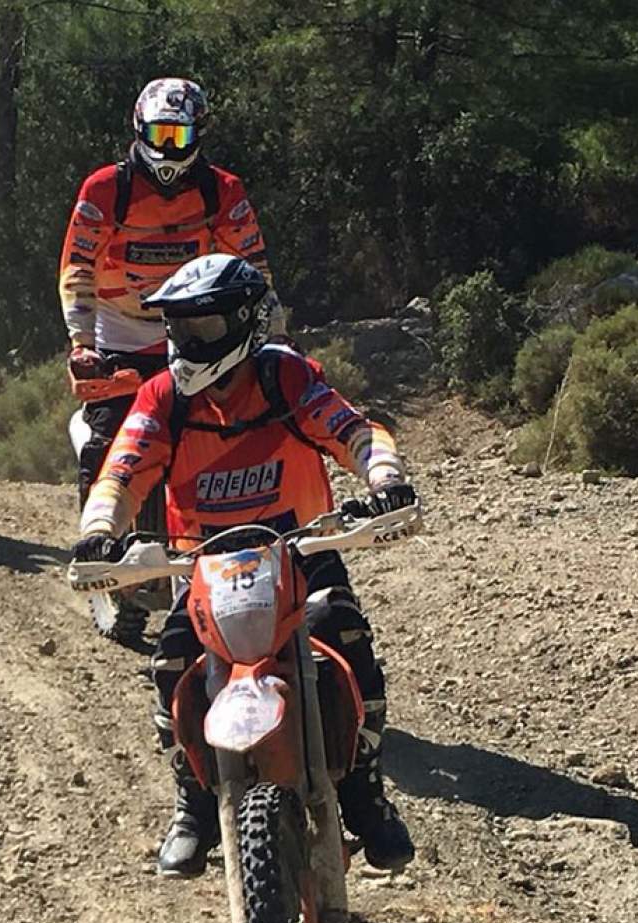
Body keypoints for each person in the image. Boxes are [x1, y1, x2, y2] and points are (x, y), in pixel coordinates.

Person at [73, 253, 417, 878]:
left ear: (244, 323)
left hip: (300, 550)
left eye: (201, 327)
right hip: (207, 564)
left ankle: (366, 795)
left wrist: (385, 478)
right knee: (171, 663)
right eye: (178, 328)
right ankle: (193, 805)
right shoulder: (163, 396)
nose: (186, 342)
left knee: (348, 640)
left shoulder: (287, 377)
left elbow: (353, 431)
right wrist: (99, 531)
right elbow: (121, 473)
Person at [59, 77, 283, 504]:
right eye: (159, 134)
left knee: (242, 430)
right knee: (105, 445)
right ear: (138, 129)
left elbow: (254, 269)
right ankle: (98, 537)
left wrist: (274, 334)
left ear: (200, 133)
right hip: (119, 333)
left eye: (178, 137)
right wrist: (82, 344)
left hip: (197, 328)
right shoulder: (105, 189)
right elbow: (78, 267)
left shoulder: (222, 191)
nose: (167, 148)